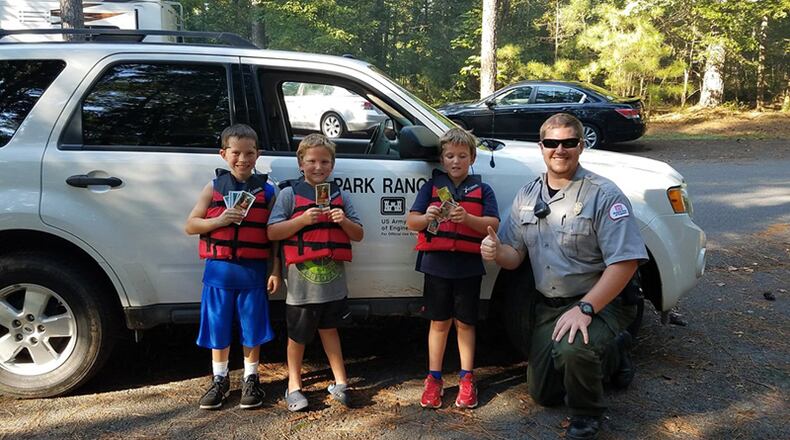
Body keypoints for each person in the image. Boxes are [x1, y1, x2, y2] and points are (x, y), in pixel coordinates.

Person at [480, 113, 646, 439]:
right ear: (541, 147)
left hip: (600, 301)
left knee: (573, 350)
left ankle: (587, 415)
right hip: (551, 305)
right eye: (552, 143)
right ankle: (615, 351)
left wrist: (586, 308)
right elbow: (514, 258)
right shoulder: (527, 196)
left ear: (581, 146)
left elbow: (625, 264)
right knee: (543, 394)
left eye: (569, 142)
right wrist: (497, 252)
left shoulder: (604, 194)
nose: (560, 150)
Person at [185, 123, 281, 410]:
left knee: (252, 327)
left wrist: (275, 269)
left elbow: (274, 235)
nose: (243, 159)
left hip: (253, 272)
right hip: (218, 272)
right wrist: (220, 220)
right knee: (219, 326)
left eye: (249, 153)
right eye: (236, 153)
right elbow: (191, 224)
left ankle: (252, 379)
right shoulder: (213, 187)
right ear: (224, 154)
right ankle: (220, 379)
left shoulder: (266, 190)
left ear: (258, 154)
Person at [267, 133, 364, 412]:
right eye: (311, 161)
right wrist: (301, 220)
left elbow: (358, 234)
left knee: (330, 330)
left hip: (333, 286)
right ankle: (294, 385)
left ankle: (341, 381)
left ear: (332, 165)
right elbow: (272, 231)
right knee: (297, 336)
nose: (318, 167)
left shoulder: (340, 196)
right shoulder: (288, 195)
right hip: (300, 288)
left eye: (324, 162)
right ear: (301, 164)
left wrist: (342, 219)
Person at [406, 127, 500, 409]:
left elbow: (492, 225)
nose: (455, 161)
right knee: (439, 322)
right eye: (450, 156)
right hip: (437, 266)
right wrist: (427, 217)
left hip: (468, 267)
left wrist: (468, 218)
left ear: (472, 157)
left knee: (465, 323)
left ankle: (467, 378)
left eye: (462, 155)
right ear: (442, 159)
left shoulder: (483, 189)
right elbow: (412, 222)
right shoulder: (431, 188)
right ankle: (434, 378)